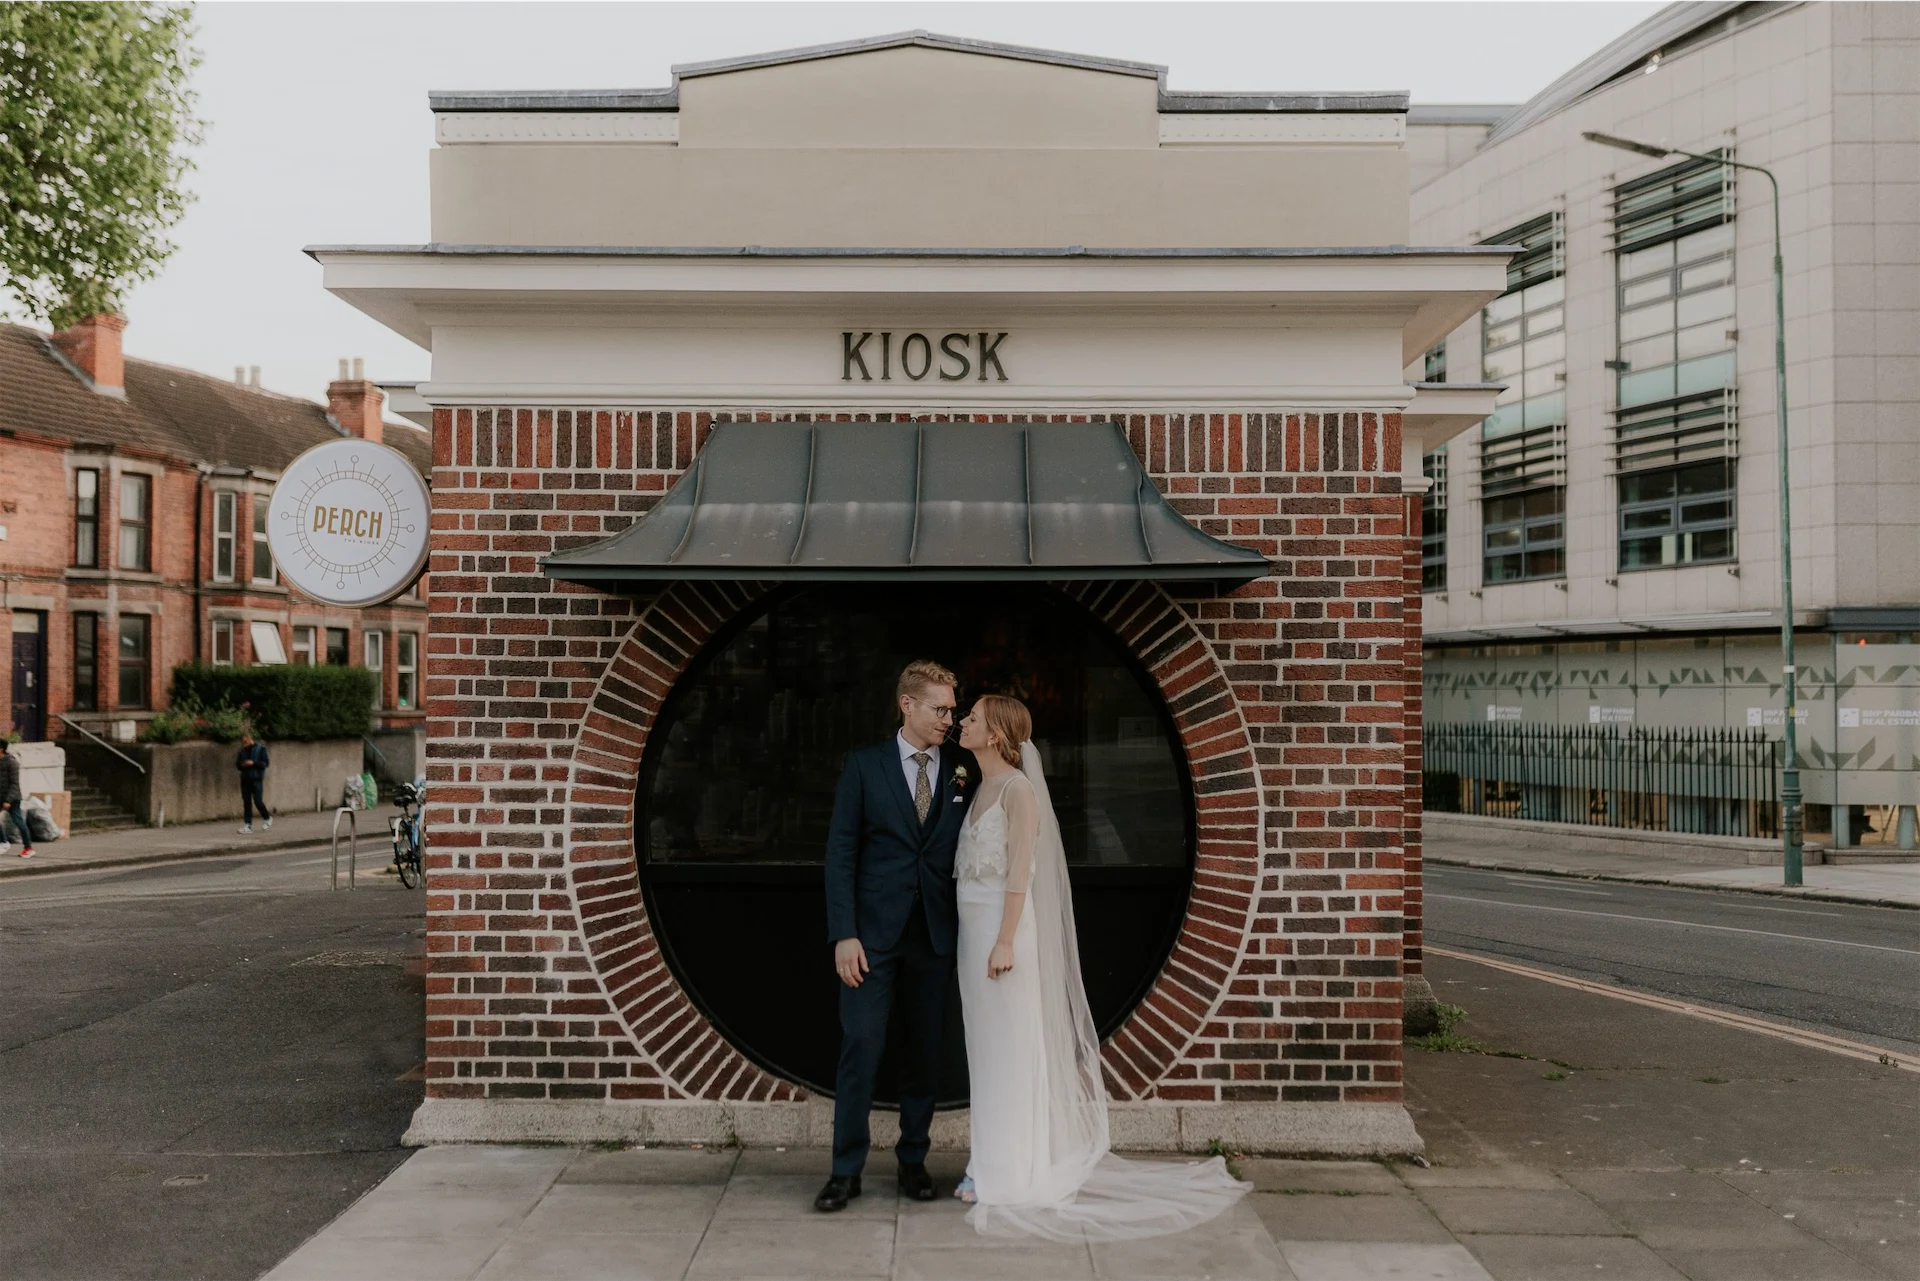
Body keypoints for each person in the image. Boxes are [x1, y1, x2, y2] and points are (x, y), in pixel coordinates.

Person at [950, 694, 1248, 1240]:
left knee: (1013, 1052)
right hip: (972, 939)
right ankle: (988, 1158)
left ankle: (1010, 1170)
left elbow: (1019, 872)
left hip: (1003, 937)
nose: (962, 722)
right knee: (986, 1053)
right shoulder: (975, 787)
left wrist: (1006, 941)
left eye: (971, 717)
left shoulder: (1019, 792)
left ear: (994, 734)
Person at [816, 660, 975, 1213]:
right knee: (861, 1046)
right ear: (906, 705)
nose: (949, 719)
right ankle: (845, 1171)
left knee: (923, 1053)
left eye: (953, 710)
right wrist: (844, 934)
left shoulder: (962, 768)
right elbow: (841, 856)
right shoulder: (864, 767)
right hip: (872, 940)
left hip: (935, 936)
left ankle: (913, 1160)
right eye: (940, 709)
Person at [0, 739, 33, 859]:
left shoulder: (12, 763)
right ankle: (3, 842)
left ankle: (28, 848)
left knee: (19, 821)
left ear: (1, 749)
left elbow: (14, 784)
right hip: (1, 797)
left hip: (12, 798)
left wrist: (8, 800)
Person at [235, 732, 273, 834]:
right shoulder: (242, 751)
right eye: (243, 743)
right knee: (247, 803)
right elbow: (238, 765)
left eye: (246, 742)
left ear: (250, 740)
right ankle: (247, 825)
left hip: (256, 779)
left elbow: (265, 763)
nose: (244, 745)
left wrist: (253, 763)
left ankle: (267, 817)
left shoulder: (260, 749)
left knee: (258, 801)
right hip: (245, 779)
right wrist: (243, 764)